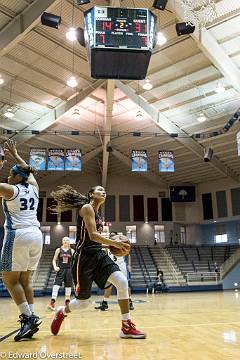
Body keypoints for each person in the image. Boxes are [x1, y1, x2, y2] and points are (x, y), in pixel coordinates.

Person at [50, 185, 146, 339]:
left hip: (99, 255)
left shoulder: (99, 215)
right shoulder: (87, 208)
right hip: (84, 258)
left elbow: (95, 241)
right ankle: (62, 312)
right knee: (83, 303)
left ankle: (126, 326)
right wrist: (115, 243)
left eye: (104, 191)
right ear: (91, 194)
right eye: (99, 190)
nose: (103, 192)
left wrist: (110, 245)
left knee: (122, 281)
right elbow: (93, 235)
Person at [0, 140, 42, 341]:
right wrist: (16, 155)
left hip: (19, 235)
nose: (8, 176)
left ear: (18, 177)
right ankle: (31, 316)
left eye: (11, 173)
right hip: (36, 234)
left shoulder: (10, 190)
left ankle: (27, 317)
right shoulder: (34, 187)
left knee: (9, 279)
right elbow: (29, 171)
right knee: (25, 280)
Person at [95, 231, 134, 311]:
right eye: (111, 236)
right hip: (111, 265)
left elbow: (128, 254)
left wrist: (129, 264)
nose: (112, 236)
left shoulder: (120, 243)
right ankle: (105, 303)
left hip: (121, 265)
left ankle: (130, 302)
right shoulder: (108, 245)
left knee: (125, 284)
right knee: (108, 286)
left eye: (113, 235)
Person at [48, 237, 74, 311]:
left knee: (68, 287)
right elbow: (54, 260)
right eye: (64, 240)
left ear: (69, 242)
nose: (66, 241)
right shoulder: (58, 250)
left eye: (67, 240)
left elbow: (75, 261)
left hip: (69, 270)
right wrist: (55, 266)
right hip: (61, 269)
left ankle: (67, 304)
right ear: (62, 242)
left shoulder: (72, 251)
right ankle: (52, 303)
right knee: (56, 285)